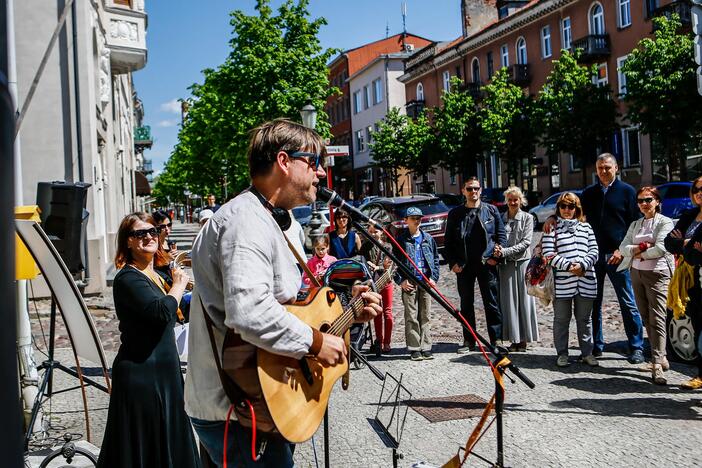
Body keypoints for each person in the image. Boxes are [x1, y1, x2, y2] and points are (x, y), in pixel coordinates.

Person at [184, 118, 381, 467]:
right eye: (314, 162)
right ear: (284, 161)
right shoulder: (244, 222)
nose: (320, 174)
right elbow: (250, 312)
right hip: (234, 409)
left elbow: (290, 305)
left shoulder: (277, 221)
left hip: (264, 399)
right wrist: (317, 344)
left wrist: (348, 312)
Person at [97, 213, 199, 468]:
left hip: (165, 372)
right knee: (146, 451)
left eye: (152, 231)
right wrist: (177, 286)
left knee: (169, 447)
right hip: (142, 375)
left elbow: (177, 312)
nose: (148, 237)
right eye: (139, 234)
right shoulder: (128, 278)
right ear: (128, 242)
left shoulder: (155, 275)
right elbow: (162, 313)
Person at [547, 153, 644, 362]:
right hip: (592, 258)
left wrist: (623, 249)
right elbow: (572, 210)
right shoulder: (589, 193)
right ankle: (595, 346)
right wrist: (551, 217)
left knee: (627, 302)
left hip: (618, 256)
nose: (603, 171)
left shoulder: (627, 192)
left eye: (607, 167)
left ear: (616, 168)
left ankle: (636, 346)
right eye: (600, 168)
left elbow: (635, 225)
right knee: (593, 303)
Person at [618, 186, 674, 385]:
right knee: (645, 315)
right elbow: (623, 247)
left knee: (657, 316)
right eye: (640, 201)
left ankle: (657, 363)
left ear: (657, 201)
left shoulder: (664, 222)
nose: (644, 204)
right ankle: (661, 357)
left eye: (648, 200)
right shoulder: (636, 224)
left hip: (657, 273)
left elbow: (661, 248)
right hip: (636, 272)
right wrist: (640, 248)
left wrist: (638, 252)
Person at [444, 177, 506, 352]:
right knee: (466, 304)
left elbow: (501, 237)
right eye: (469, 189)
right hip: (464, 265)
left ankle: (496, 340)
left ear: (481, 190)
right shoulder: (455, 214)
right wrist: (453, 263)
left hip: (486, 263)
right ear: (463, 191)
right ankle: (469, 340)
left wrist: (497, 257)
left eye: (476, 188)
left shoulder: (491, 211)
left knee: (491, 302)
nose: (473, 192)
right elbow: (448, 242)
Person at [542, 192, 599, 368]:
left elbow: (594, 251)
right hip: (562, 283)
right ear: (558, 208)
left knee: (585, 319)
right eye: (563, 206)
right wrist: (569, 267)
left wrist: (582, 265)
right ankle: (562, 353)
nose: (567, 210)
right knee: (561, 320)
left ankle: (587, 353)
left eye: (571, 206)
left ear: (577, 209)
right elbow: (548, 254)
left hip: (586, 280)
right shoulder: (552, 227)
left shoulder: (586, 227)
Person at [665, 176, 702, 390]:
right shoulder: (689, 215)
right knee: (696, 325)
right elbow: (669, 242)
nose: (699, 192)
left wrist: (684, 245)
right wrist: (688, 244)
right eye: (695, 189)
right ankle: (700, 374)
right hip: (690, 282)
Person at [494, 186, 539, 352]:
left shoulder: (527, 218)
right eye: (510, 199)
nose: (513, 202)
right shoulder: (501, 218)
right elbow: (496, 237)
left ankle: (524, 339)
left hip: (522, 264)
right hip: (505, 266)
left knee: (523, 301)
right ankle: (514, 338)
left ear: (521, 201)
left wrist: (504, 251)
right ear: (506, 201)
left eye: (516, 199)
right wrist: (497, 250)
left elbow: (526, 242)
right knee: (509, 302)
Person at [393, 206, 440, 361]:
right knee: (411, 316)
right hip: (410, 281)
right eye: (413, 218)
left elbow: (435, 259)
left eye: (419, 218)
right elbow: (395, 263)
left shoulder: (428, 238)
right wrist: (401, 281)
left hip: (425, 281)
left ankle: (426, 346)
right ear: (406, 220)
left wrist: (434, 277)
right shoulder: (401, 240)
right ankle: (414, 348)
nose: (417, 221)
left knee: (425, 315)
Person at [360, 223, 394, 355]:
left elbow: (389, 266)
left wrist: (377, 267)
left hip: (386, 282)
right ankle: (379, 342)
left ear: (381, 232)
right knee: (377, 313)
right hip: (373, 283)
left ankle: (387, 342)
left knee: (388, 312)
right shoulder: (366, 246)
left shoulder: (387, 246)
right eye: (370, 231)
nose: (373, 233)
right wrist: (373, 265)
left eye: (376, 231)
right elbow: (362, 262)